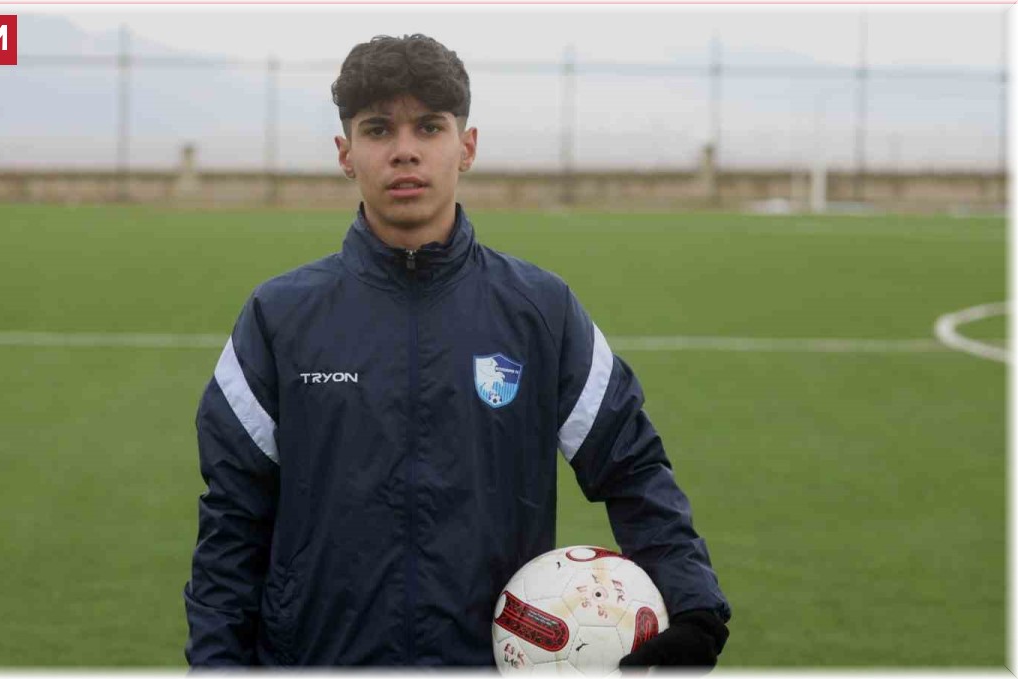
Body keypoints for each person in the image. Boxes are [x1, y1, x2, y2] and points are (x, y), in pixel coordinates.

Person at [183, 33, 731, 668]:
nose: (405, 150)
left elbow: (632, 467)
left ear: (466, 147)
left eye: (430, 127)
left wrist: (693, 602)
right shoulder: (279, 317)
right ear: (345, 153)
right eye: (378, 129)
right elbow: (232, 521)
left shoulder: (540, 311)